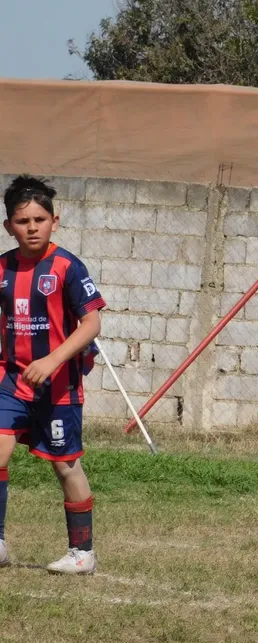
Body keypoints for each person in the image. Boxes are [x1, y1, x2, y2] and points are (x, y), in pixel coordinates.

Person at [0, 175, 106, 575]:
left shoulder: (67, 266)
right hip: (11, 381)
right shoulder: (3, 268)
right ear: (9, 226)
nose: (32, 227)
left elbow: (91, 323)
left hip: (59, 386)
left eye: (39, 219)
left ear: (54, 221)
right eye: (22, 221)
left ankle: (82, 552)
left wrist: (51, 360)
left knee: (65, 465)